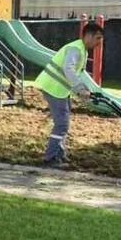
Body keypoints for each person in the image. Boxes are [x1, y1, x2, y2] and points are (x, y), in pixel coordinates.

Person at [34, 22, 104, 168]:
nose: (99, 43)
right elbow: (68, 69)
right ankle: (51, 158)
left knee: (63, 123)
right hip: (53, 88)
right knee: (62, 124)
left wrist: (84, 89)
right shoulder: (75, 49)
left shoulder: (82, 50)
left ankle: (59, 154)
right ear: (88, 36)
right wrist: (79, 88)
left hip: (60, 90)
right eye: (97, 38)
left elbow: (77, 73)